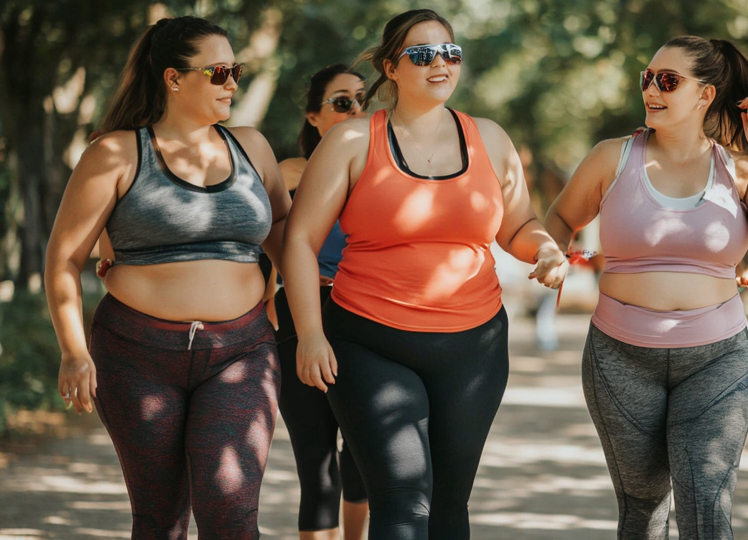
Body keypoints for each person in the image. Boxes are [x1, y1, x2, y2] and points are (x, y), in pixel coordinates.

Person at [280, 9, 567, 540]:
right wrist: (310, 334)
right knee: (402, 500)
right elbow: (299, 241)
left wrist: (546, 250)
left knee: (449, 506)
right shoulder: (351, 142)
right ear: (391, 67)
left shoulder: (491, 138)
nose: (440, 63)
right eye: (421, 53)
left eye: (449, 53)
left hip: (474, 347)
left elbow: (519, 223)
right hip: (369, 343)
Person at [544, 36, 748, 539]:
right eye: (647, 77)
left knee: (707, 509)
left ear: (705, 95)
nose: (651, 88)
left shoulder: (740, 170)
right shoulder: (612, 157)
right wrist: (551, 251)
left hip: (716, 359)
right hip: (619, 356)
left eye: (668, 80)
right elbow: (560, 216)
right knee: (643, 509)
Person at [45, 16, 290, 539]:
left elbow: (290, 234)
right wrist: (72, 351)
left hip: (242, 351)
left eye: (237, 72)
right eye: (220, 71)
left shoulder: (252, 146)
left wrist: (304, 319)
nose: (232, 84)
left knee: (230, 511)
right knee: (159, 518)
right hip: (135, 356)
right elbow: (64, 259)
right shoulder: (114, 153)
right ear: (174, 78)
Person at [274, 63, 370, 540]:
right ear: (313, 116)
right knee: (317, 465)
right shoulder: (289, 174)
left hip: (368, 316)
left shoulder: (381, 169)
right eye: (341, 102)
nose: (356, 108)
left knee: (363, 460)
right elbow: (269, 247)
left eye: (361, 98)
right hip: (300, 315)